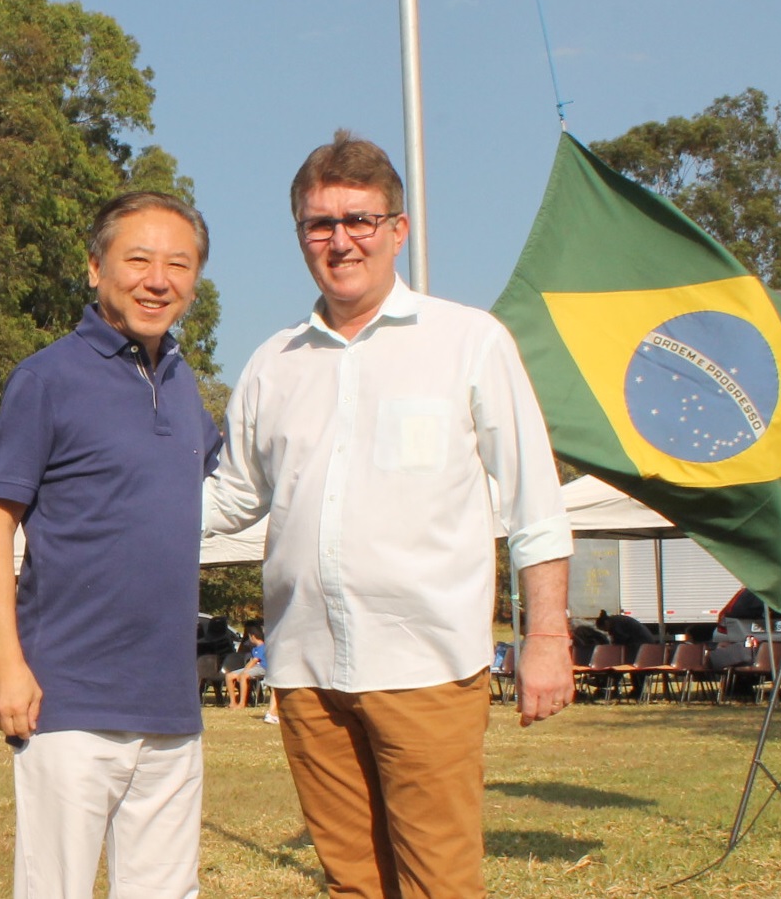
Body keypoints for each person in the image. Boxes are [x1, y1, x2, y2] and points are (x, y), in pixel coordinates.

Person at [206, 132, 573, 899]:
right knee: (352, 885)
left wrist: (546, 638)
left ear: (397, 229)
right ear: (299, 234)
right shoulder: (272, 364)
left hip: (425, 664)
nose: (339, 240)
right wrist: (104, 509)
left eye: (359, 219)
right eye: (319, 223)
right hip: (304, 671)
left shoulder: (468, 341)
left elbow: (535, 500)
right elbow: (233, 496)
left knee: (439, 884)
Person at [0, 190, 221, 899]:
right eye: (137, 259)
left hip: (171, 706)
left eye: (178, 263)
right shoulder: (45, 378)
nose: (157, 279)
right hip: (68, 701)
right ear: (94, 267)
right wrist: (7, 664)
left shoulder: (182, 385)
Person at [225, 627, 267, 711]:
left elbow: (254, 661)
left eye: (249, 637)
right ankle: (232, 702)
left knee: (244, 676)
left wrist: (243, 672)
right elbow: (251, 661)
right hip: (254, 667)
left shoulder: (263, 647)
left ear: (253, 637)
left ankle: (242, 703)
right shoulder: (255, 648)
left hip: (263, 668)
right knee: (229, 676)